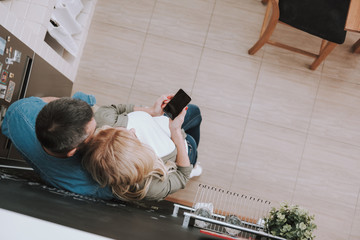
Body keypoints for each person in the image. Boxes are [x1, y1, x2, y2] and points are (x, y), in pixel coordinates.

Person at [82, 94, 202, 202]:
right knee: (192, 137)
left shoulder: (103, 122)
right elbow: (182, 176)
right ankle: (194, 166)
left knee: (194, 111)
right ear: (136, 155)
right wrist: (175, 131)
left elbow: (115, 109)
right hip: (185, 148)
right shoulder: (150, 186)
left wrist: (151, 111)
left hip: (165, 122)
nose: (133, 129)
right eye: (133, 136)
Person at [1, 92, 113, 199]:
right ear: (72, 152)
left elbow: (50, 102)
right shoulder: (88, 185)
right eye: (93, 132)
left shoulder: (18, 111)